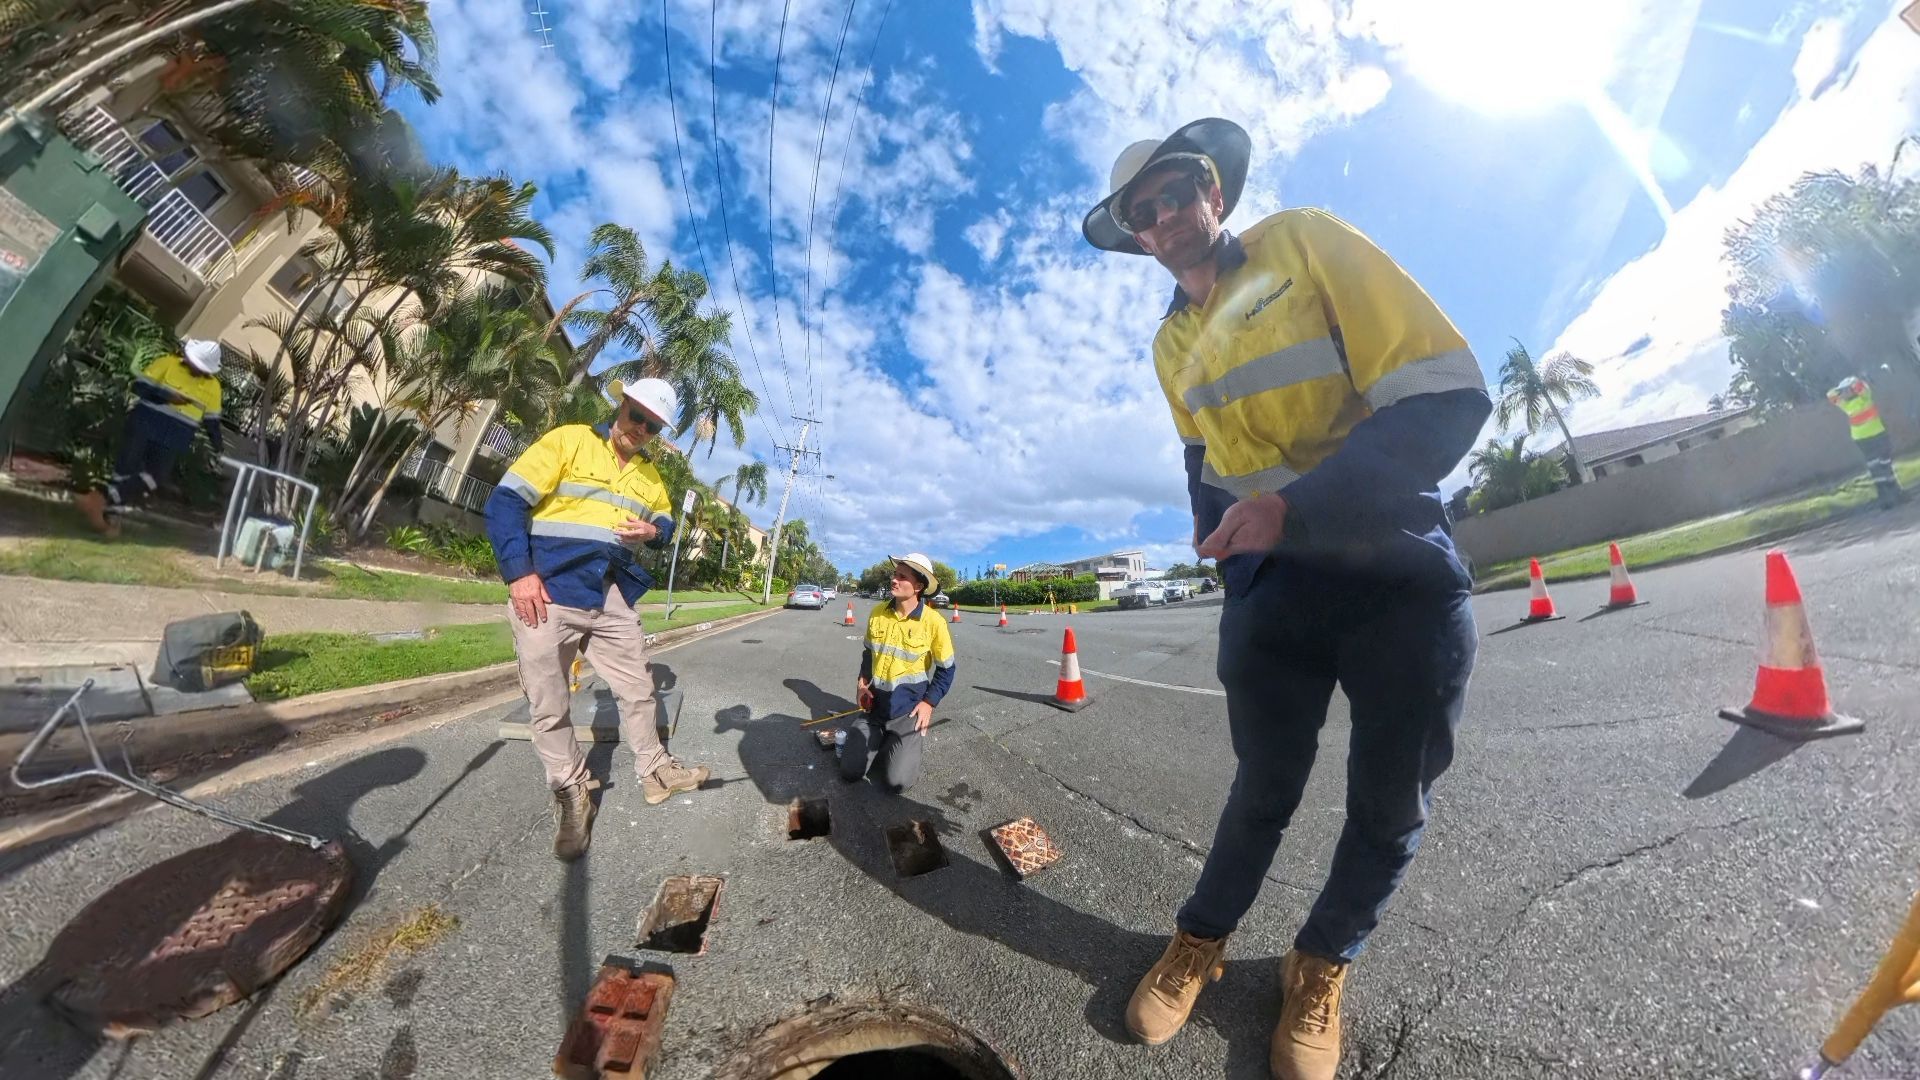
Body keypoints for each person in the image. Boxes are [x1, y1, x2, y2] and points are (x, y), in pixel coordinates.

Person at [1083, 118, 1490, 1079]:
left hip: (1393, 566)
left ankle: (1321, 961)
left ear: (1214, 191)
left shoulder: (1305, 242)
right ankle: (1201, 942)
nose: (1162, 221)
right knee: (1262, 783)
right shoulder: (1169, 342)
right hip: (1271, 586)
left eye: (1175, 195)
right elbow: (1199, 453)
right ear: (1135, 235)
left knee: (1391, 797)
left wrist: (1293, 508)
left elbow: (1445, 394)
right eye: (1141, 215)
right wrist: (1217, 538)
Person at [483, 377, 711, 861]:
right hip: (547, 591)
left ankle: (655, 772)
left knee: (639, 688)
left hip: (607, 594)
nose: (641, 429)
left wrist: (656, 530)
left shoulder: (650, 476)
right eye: (637, 417)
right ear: (621, 405)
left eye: (653, 426)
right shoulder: (569, 440)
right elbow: (505, 502)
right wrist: (518, 573)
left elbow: (666, 522)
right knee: (547, 703)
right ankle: (572, 789)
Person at [74, 338, 225, 536]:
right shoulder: (167, 363)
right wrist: (167, 397)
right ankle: (110, 519)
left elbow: (212, 420)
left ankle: (99, 498)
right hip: (144, 424)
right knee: (126, 469)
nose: (198, 370)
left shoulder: (214, 387)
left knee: (155, 477)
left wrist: (218, 446)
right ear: (188, 356)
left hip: (174, 438)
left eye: (203, 368)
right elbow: (139, 387)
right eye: (196, 364)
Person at [845, 553, 955, 793]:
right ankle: (876, 735)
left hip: (906, 712)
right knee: (850, 771)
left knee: (898, 783)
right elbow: (868, 655)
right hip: (875, 708)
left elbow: (947, 669)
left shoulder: (934, 622)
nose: (894, 580)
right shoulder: (877, 613)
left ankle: (900, 741)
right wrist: (862, 685)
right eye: (895, 574)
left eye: (902, 577)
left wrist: (929, 703)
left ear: (918, 586)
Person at [1827, 375, 1905, 509]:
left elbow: (1862, 388)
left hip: (1877, 436)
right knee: (1875, 468)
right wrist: (1842, 388)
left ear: (1854, 389)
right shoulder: (1846, 404)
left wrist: (1852, 384)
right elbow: (1830, 395)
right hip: (1865, 440)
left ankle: (1894, 493)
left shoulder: (1864, 397)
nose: (1845, 393)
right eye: (1843, 391)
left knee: (1884, 465)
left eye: (1847, 390)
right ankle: (1886, 496)